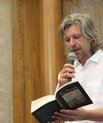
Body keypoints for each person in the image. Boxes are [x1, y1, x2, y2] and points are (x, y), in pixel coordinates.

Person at [52, 13, 103, 123]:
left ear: (91, 37)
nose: (71, 44)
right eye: (67, 39)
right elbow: (59, 112)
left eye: (76, 37)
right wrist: (62, 85)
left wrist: (86, 115)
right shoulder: (68, 71)